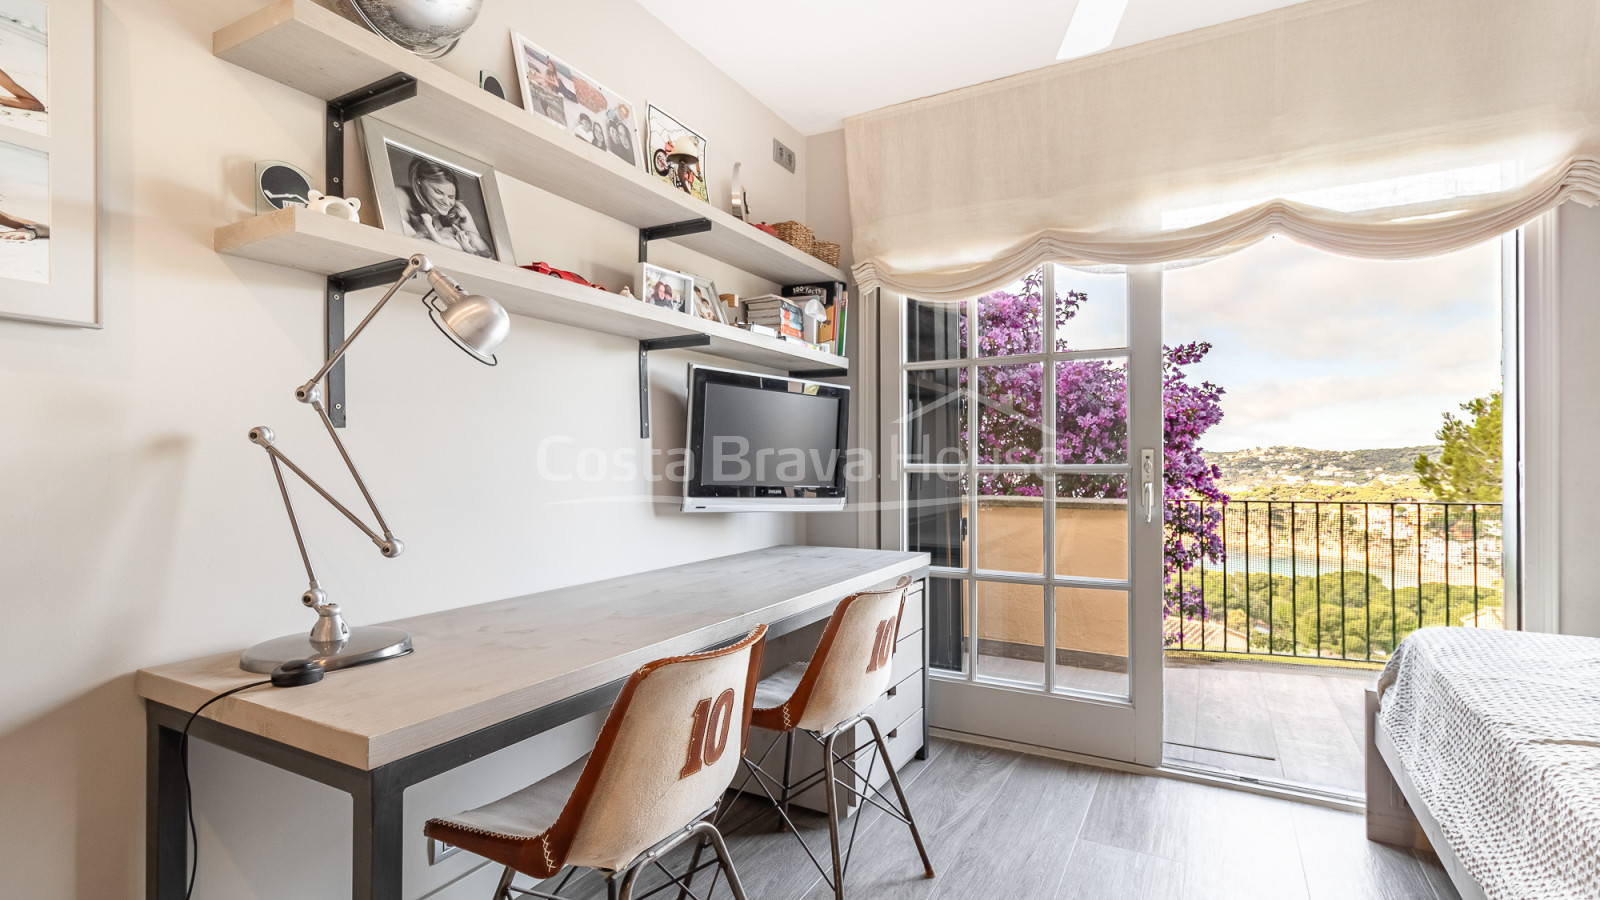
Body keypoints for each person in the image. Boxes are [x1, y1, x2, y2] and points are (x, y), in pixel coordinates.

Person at [399, 158, 492, 258]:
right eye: (438, 192)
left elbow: (484, 255)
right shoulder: (402, 196)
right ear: (419, 181)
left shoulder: (458, 210)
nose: (447, 202)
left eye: (451, 197)